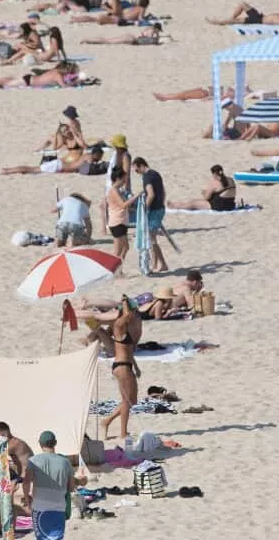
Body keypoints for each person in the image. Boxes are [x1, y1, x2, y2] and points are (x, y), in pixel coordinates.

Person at [24, 431, 76, 540]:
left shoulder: (33, 461)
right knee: (56, 537)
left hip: (39, 507)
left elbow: (26, 483)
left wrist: (28, 501)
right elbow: (71, 487)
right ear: (55, 443)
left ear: (40, 444)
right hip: (59, 506)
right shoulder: (65, 462)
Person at [101, 297, 141, 439]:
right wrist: (125, 303)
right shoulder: (118, 325)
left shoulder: (125, 329)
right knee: (127, 401)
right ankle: (122, 433)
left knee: (132, 401)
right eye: (134, 311)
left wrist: (136, 367)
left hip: (126, 365)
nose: (134, 314)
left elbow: (128, 351)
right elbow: (127, 316)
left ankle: (107, 421)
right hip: (122, 367)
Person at [133, 157, 168, 273]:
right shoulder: (156, 174)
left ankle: (154, 265)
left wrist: (144, 209)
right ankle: (162, 264)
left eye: (136, 170)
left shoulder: (147, 177)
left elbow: (151, 194)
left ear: (140, 165)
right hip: (160, 208)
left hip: (154, 210)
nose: (136, 172)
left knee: (151, 239)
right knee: (152, 238)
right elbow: (163, 191)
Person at [169, 164, 238, 211]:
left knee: (193, 203)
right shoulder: (230, 179)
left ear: (214, 174)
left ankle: (175, 206)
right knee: (193, 201)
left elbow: (206, 198)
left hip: (219, 206)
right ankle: (176, 204)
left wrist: (204, 193)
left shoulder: (215, 183)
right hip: (230, 205)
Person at [106, 166, 137, 265]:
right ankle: (113, 270)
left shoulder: (118, 190)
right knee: (117, 250)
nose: (124, 181)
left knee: (126, 247)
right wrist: (136, 196)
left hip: (122, 221)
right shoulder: (114, 190)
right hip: (116, 222)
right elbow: (123, 205)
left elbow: (120, 206)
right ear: (118, 178)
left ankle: (118, 269)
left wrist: (133, 209)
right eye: (124, 179)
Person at [207, 2, 279, 27]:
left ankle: (219, 22)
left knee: (237, 21)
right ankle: (230, 20)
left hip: (259, 20)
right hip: (260, 16)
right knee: (242, 4)